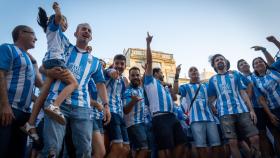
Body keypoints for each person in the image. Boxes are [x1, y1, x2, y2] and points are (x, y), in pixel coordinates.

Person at [41, 22, 109, 158]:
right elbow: (53, 29)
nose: (86, 31)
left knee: (84, 150)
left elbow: (100, 84)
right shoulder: (64, 46)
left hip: (82, 108)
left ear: (91, 37)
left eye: (89, 30)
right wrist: (57, 16)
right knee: (52, 150)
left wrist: (106, 105)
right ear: (75, 33)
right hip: (56, 102)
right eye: (83, 29)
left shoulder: (95, 62)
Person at [21, 2, 79, 143]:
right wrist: (57, 9)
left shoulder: (62, 37)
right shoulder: (53, 28)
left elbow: (72, 48)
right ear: (56, 21)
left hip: (49, 62)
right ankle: (55, 106)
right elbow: (58, 17)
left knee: (43, 93)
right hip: (55, 61)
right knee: (73, 83)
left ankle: (30, 124)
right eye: (64, 22)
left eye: (66, 24)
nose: (65, 25)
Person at [208, 54, 261, 158]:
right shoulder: (212, 79)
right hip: (225, 114)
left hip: (242, 111)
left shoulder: (235, 74)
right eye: (217, 60)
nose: (219, 61)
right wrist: (211, 106)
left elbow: (243, 93)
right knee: (232, 142)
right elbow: (211, 98)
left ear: (225, 62)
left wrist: (251, 110)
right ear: (214, 65)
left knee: (255, 138)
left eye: (221, 59)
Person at [144, 32, 187, 158]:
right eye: (161, 72)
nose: (163, 74)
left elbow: (174, 97)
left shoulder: (165, 87)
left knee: (182, 143)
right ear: (155, 73)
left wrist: (176, 76)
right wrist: (148, 44)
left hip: (172, 117)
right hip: (160, 117)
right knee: (164, 147)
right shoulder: (150, 81)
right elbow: (150, 61)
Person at [0, 25, 39, 157]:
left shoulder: (30, 60)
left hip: (24, 115)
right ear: (22, 33)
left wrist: (36, 64)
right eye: (33, 34)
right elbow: (1, 74)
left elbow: (40, 84)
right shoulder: (7, 48)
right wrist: (4, 105)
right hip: (7, 110)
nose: (36, 38)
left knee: (18, 153)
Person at [176, 66, 221, 158]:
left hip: (210, 119)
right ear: (188, 75)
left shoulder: (206, 86)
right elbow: (176, 91)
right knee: (201, 146)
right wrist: (176, 76)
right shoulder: (185, 86)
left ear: (198, 73)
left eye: (195, 69)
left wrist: (212, 106)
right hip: (195, 120)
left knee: (216, 144)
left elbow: (214, 95)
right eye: (191, 70)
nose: (193, 71)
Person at [237, 59, 275, 157]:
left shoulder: (257, 73)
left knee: (275, 132)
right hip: (255, 109)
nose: (244, 64)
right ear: (239, 69)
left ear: (249, 65)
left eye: (245, 62)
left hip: (269, 106)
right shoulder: (239, 79)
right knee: (262, 135)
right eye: (241, 64)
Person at [252, 57, 280, 157]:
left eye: (261, 61)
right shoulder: (255, 80)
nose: (259, 63)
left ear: (265, 63)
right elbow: (261, 99)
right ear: (254, 68)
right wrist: (270, 115)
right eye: (256, 63)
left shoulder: (274, 69)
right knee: (278, 136)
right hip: (275, 109)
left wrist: (265, 49)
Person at [105, 54, 130, 158]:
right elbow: (108, 72)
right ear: (113, 64)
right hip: (111, 113)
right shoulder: (107, 72)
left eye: (122, 64)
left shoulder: (123, 80)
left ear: (125, 66)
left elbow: (123, 96)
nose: (119, 66)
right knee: (117, 147)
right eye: (117, 63)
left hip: (120, 115)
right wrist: (112, 71)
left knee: (126, 149)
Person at [123, 66, 149, 158]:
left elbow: (142, 80)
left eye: (137, 75)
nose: (135, 77)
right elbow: (125, 110)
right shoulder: (128, 91)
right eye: (133, 75)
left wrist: (146, 70)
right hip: (133, 124)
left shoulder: (140, 88)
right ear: (129, 77)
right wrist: (133, 101)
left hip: (141, 124)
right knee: (144, 148)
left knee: (135, 150)